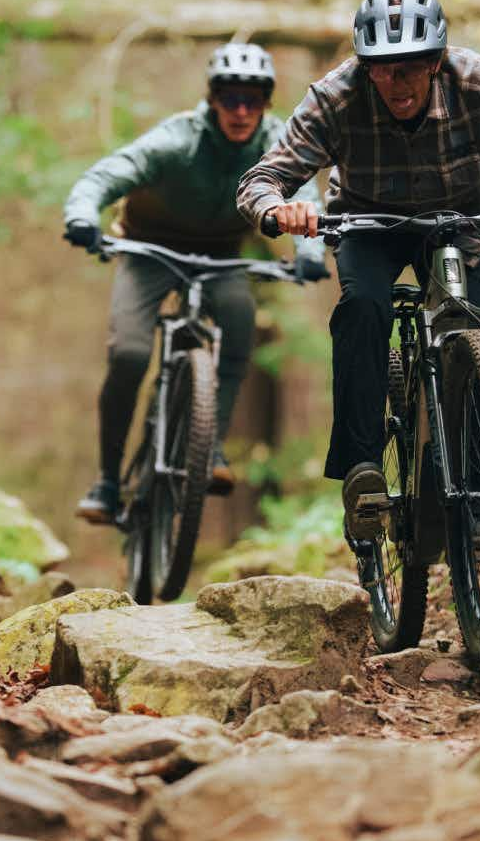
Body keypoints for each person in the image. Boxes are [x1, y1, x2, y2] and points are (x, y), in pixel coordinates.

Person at [236, 0, 480, 552]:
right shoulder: (336, 98)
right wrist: (278, 208)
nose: (396, 83)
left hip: (467, 225)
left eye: (409, 68)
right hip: (371, 225)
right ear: (365, 67)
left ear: (436, 61)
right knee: (363, 307)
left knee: (473, 334)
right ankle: (364, 472)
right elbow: (261, 179)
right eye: (381, 69)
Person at [64, 42, 328, 524]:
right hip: (149, 250)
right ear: (213, 99)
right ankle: (107, 481)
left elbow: (304, 194)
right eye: (230, 98)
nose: (241, 111)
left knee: (240, 322)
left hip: (220, 255)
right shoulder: (177, 139)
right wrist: (82, 216)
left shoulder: (275, 144)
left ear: (267, 102)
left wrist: (309, 254)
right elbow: (106, 175)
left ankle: (209, 448)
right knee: (129, 354)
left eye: (253, 99)